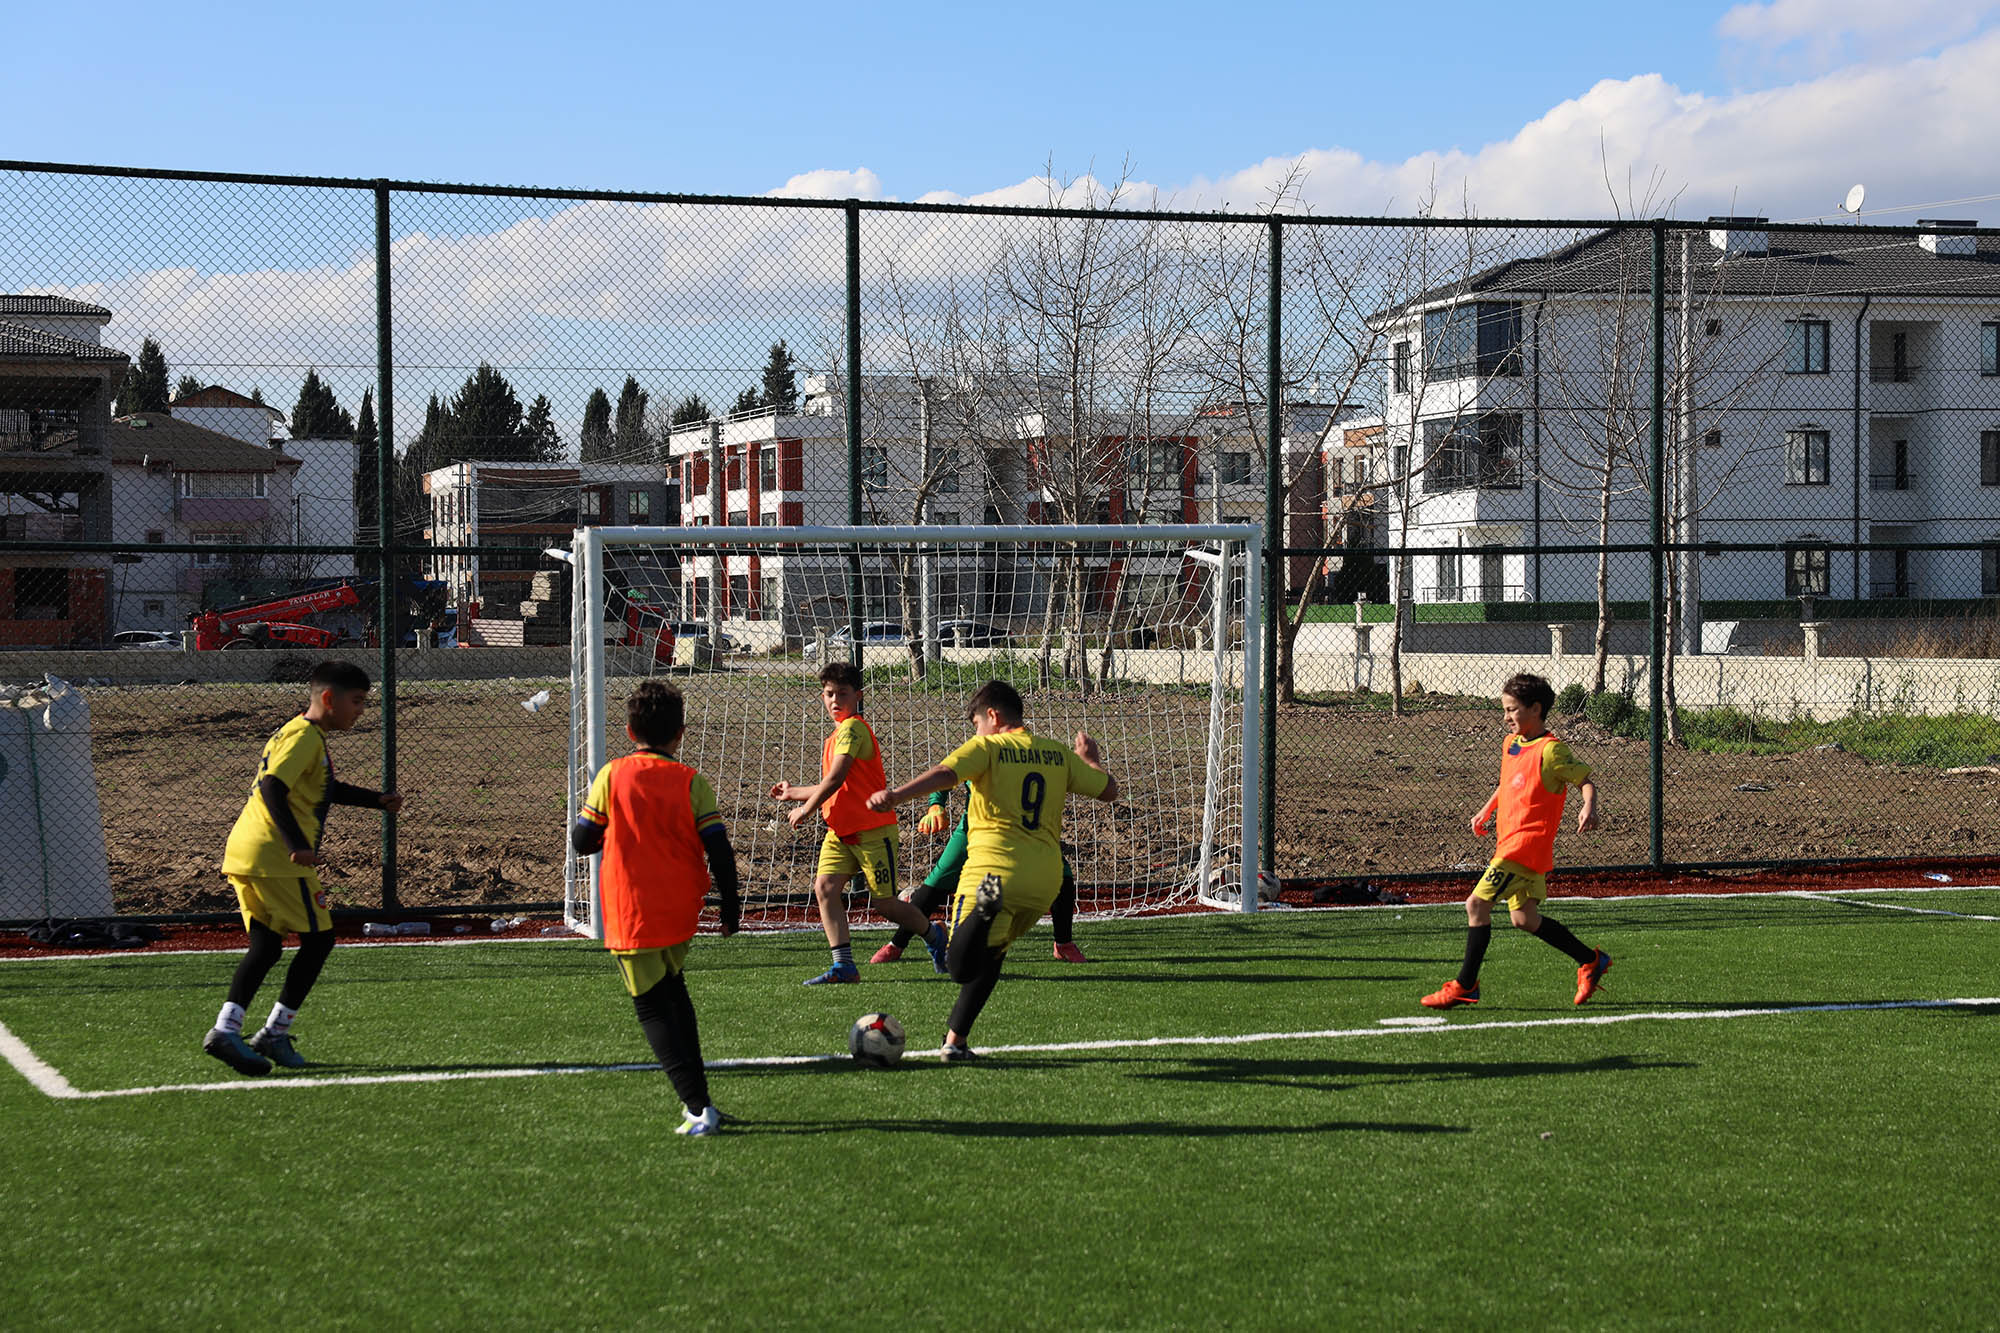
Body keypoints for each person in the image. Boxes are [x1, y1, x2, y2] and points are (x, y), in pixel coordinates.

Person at [868, 679, 1117, 1061]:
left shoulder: (988, 746)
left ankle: (982, 911)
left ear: (993, 716)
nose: (975, 732)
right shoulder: (1057, 754)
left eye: (976, 723)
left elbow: (945, 775)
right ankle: (956, 1042)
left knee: (957, 965)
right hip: (1043, 884)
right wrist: (1091, 761)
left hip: (992, 876)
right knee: (990, 958)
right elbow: (1109, 791)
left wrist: (898, 796)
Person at [201, 660, 402, 1076]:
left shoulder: (298, 733)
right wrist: (297, 844)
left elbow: (323, 789)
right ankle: (273, 1032)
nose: (361, 710)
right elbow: (273, 786)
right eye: (357, 701)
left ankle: (227, 1029)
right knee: (319, 940)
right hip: (277, 857)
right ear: (328, 699)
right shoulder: (305, 737)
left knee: (268, 946)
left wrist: (376, 800)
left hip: (247, 853)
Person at [571, 681, 742, 1137]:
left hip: (633, 910)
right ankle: (703, 1099)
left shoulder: (612, 775)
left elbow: (582, 839)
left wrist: (612, 830)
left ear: (629, 731)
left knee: (651, 1009)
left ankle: (697, 1106)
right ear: (680, 734)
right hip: (681, 910)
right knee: (675, 994)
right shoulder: (692, 782)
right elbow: (720, 851)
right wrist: (731, 906)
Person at [1422, 672, 1609, 1010]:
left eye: (1512, 710)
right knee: (1524, 919)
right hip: (1510, 842)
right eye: (1504, 709)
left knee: (1476, 905)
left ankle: (1465, 985)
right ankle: (1590, 960)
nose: (1506, 717)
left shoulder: (1551, 750)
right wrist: (1486, 810)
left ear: (1535, 709)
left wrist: (1588, 806)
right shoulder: (1511, 744)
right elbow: (1508, 783)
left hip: (1524, 846)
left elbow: (1586, 781)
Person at [770, 662, 947, 985]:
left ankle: (934, 935)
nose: (835, 700)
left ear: (858, 696)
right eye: (828, 694)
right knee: (824, 889)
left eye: (842, 693)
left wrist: (805, 809)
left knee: (885, 904)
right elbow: (837, 785)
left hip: (873, 831)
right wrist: (794, 792)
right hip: (841, 832)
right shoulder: (836, 734)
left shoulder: (853, 728)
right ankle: (844, 966)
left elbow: (835, 779)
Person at [871, 789, 1090, 965]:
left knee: (1061, 873)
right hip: (973, 829)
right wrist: (936, 805)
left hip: (1020, 831)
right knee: (937, 882)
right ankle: (897, 944)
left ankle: (1064, 944)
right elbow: (944, 774)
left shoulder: (1028, 751)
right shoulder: (977, 750)